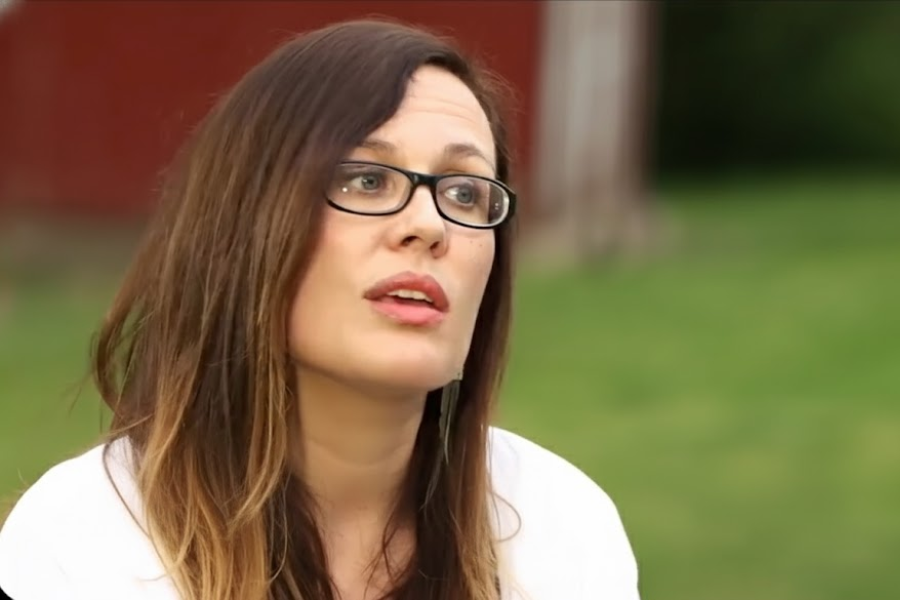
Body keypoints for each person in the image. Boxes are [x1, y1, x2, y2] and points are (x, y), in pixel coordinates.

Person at [0, 19, 639, 600]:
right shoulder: (88, 545)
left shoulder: (559, 530)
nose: (430, 225)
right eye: (367, 179)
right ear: (247, 224)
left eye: (465, 192)